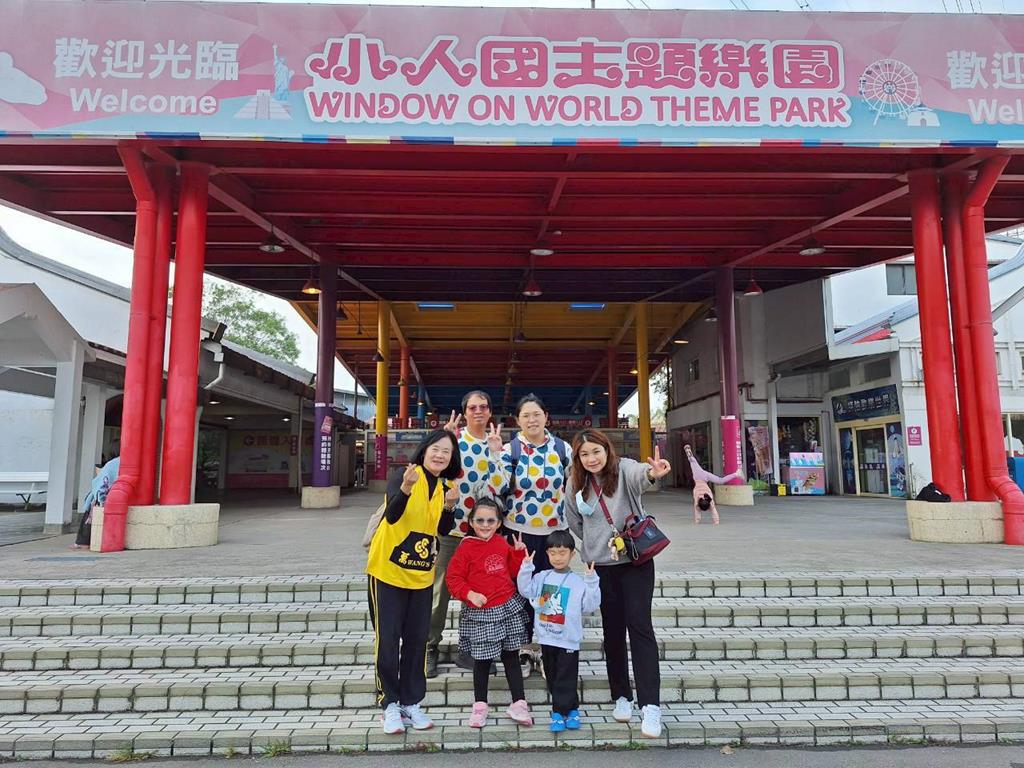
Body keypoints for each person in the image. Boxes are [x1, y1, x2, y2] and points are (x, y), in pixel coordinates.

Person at [563, 428, 672, 739]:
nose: (591, 458)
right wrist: (596, 544)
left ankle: (650, 705)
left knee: (640, 627)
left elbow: (642, 476)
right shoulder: (575, 482)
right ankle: (621, 695)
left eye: (596, 451)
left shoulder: (623, 469)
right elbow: (574, 521)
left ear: (606, 450)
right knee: (612, 631)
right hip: (602, 566)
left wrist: (653, 473)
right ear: (578, 458)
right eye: (584, 454)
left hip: (636, 562)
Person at [366, 429, 460, 735]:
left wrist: (450, 505)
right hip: (388, 571)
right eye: (436, 449)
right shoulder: (405, 476)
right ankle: (389, 704)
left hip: (421, 574)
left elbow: (442, 529)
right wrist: (406, 488)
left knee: (417, 640)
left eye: (446, 452)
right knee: (388, 639)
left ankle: (411, 701)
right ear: (424, 450)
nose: (440, 455)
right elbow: (392, 516)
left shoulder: (444, 487)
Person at [489, 393, 572, 675]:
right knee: (521, 594)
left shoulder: (562, 448)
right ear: (518, 420)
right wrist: (495, 455)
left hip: (555, 534)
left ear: (546, 417)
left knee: (553, 593)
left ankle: (550, 650)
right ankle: (523, 650)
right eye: (526, 415)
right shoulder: (510, 449)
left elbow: (575, 485)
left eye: (537, 414)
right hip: (519, 535)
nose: (532, 420)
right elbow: (498, 486)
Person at [427, 391, 505, 678]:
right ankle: (429, 647)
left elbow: (501, 485)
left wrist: (496, 454)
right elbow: (431, 473)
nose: (478, 411)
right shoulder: (453, 440)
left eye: (483, 406)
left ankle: (471, 650)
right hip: (449, 529)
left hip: (481, 534)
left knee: (477, 595)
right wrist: (440, 440)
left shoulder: (496, 444)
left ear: (490, 411)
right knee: (439, 591)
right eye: (472, 407)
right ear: (465, 412)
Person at [445, 497, 533, 729]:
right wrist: (469, 594)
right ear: (471, 522)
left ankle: (519, 703)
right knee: (482, 661)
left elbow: (511, 571)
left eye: (490, 521)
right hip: (481, 613)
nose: (485, 525)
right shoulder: (465, 548)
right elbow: (453, 578)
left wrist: (517, 554)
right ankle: (480, 706)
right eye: (480, 520)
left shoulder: (501, 542)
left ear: (499, 523)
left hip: (507, 607)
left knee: (511, 657)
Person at [516, 529, 601, 733]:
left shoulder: (578, 582)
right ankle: (572, 709)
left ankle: (558, 712)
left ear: (572, 554)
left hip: (568, 639)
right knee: (553, 675)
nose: (557, 557)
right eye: (553, 553)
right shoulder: (542, 577)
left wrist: (591, 581)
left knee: (566, 676)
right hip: (547, 637)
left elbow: (590, 605)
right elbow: (525, 590)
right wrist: (526, 567)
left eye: (562, 552)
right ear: (547, 554)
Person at [71, 451, 119, 551]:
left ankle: (82, 542)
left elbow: (101, 482)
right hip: (115, 494)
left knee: (90, 512)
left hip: (105, 494)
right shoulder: (118, 463)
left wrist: (100, 496)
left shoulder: (112, 464)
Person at [684, 444, 742, 524]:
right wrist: (698, 521)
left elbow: (709, 511)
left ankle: (736, 474)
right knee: (693, 463)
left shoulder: (709, 499)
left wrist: (716, 522)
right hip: (698, 476)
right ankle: (689, 454)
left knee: (721, 480)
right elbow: (698, 512)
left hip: (702, 477)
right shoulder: (698, 500)